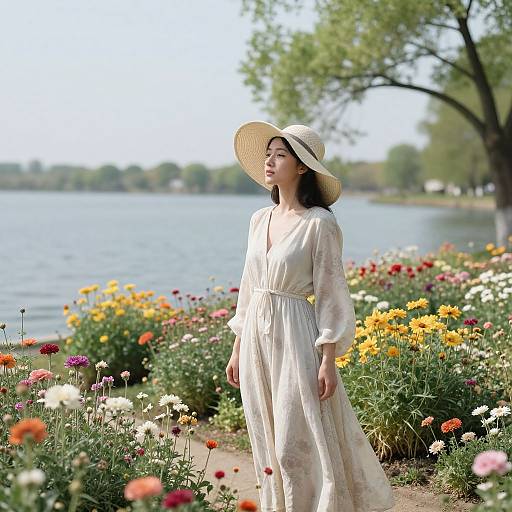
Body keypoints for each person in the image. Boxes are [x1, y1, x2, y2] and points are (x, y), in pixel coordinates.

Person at [225, 120, 395, 512]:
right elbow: (249, 287)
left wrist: (328, 359)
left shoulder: (320, 223)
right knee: (266, 434)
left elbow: (332, 292)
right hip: (254, 339)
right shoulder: (258, 220)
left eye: (279, 154)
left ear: (301, 166)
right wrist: (236, 347)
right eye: (267, 153)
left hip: (295, 333)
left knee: (294, 436)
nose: (269, 161)